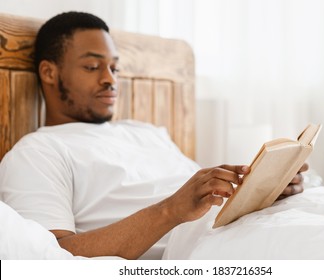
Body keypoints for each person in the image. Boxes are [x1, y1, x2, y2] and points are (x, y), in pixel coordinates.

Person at [0, 11, 308, 260]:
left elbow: (202, 200)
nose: (110, 80)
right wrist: (170, 210)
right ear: (49, 73)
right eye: (92, 66)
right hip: (215, 250)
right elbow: (55, 256)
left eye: (114, 68)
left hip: (255, 226)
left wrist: (261, 190)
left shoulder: (147, 133)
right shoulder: (38, 152)